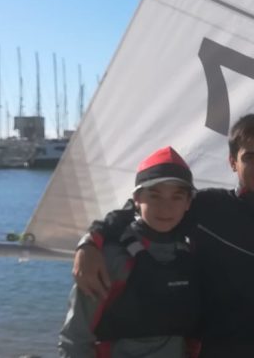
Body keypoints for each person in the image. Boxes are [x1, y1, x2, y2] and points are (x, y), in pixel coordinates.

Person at [71, 114, 254, 358]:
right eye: (250, 157)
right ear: (232, 162)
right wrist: (90, 241)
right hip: (208, 348)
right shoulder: (205, 207)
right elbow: (141, 209)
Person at [58, 146, 202, 358]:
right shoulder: (108, 258)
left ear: (188, 202)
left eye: (176, 197)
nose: (165, 208)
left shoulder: (194, 254)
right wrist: (88, 243)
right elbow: (75, 338)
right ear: (137, 199)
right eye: (155, 196)